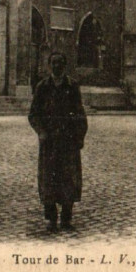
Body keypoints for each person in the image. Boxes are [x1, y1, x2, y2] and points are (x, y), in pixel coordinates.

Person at [28, 52, 88, 233]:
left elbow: (80, 113)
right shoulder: (42, 87)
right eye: (53, 63)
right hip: (50, 142)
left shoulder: (72, 86)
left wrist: (80, 136)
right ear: (49, 65)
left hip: (68, 142)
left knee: (69, 179)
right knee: (49, 179)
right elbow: (33, 115)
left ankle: (67, 218)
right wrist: (41, 132)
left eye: (60, 63)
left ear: (65, 65)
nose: (57, 66)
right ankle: (52, 219)